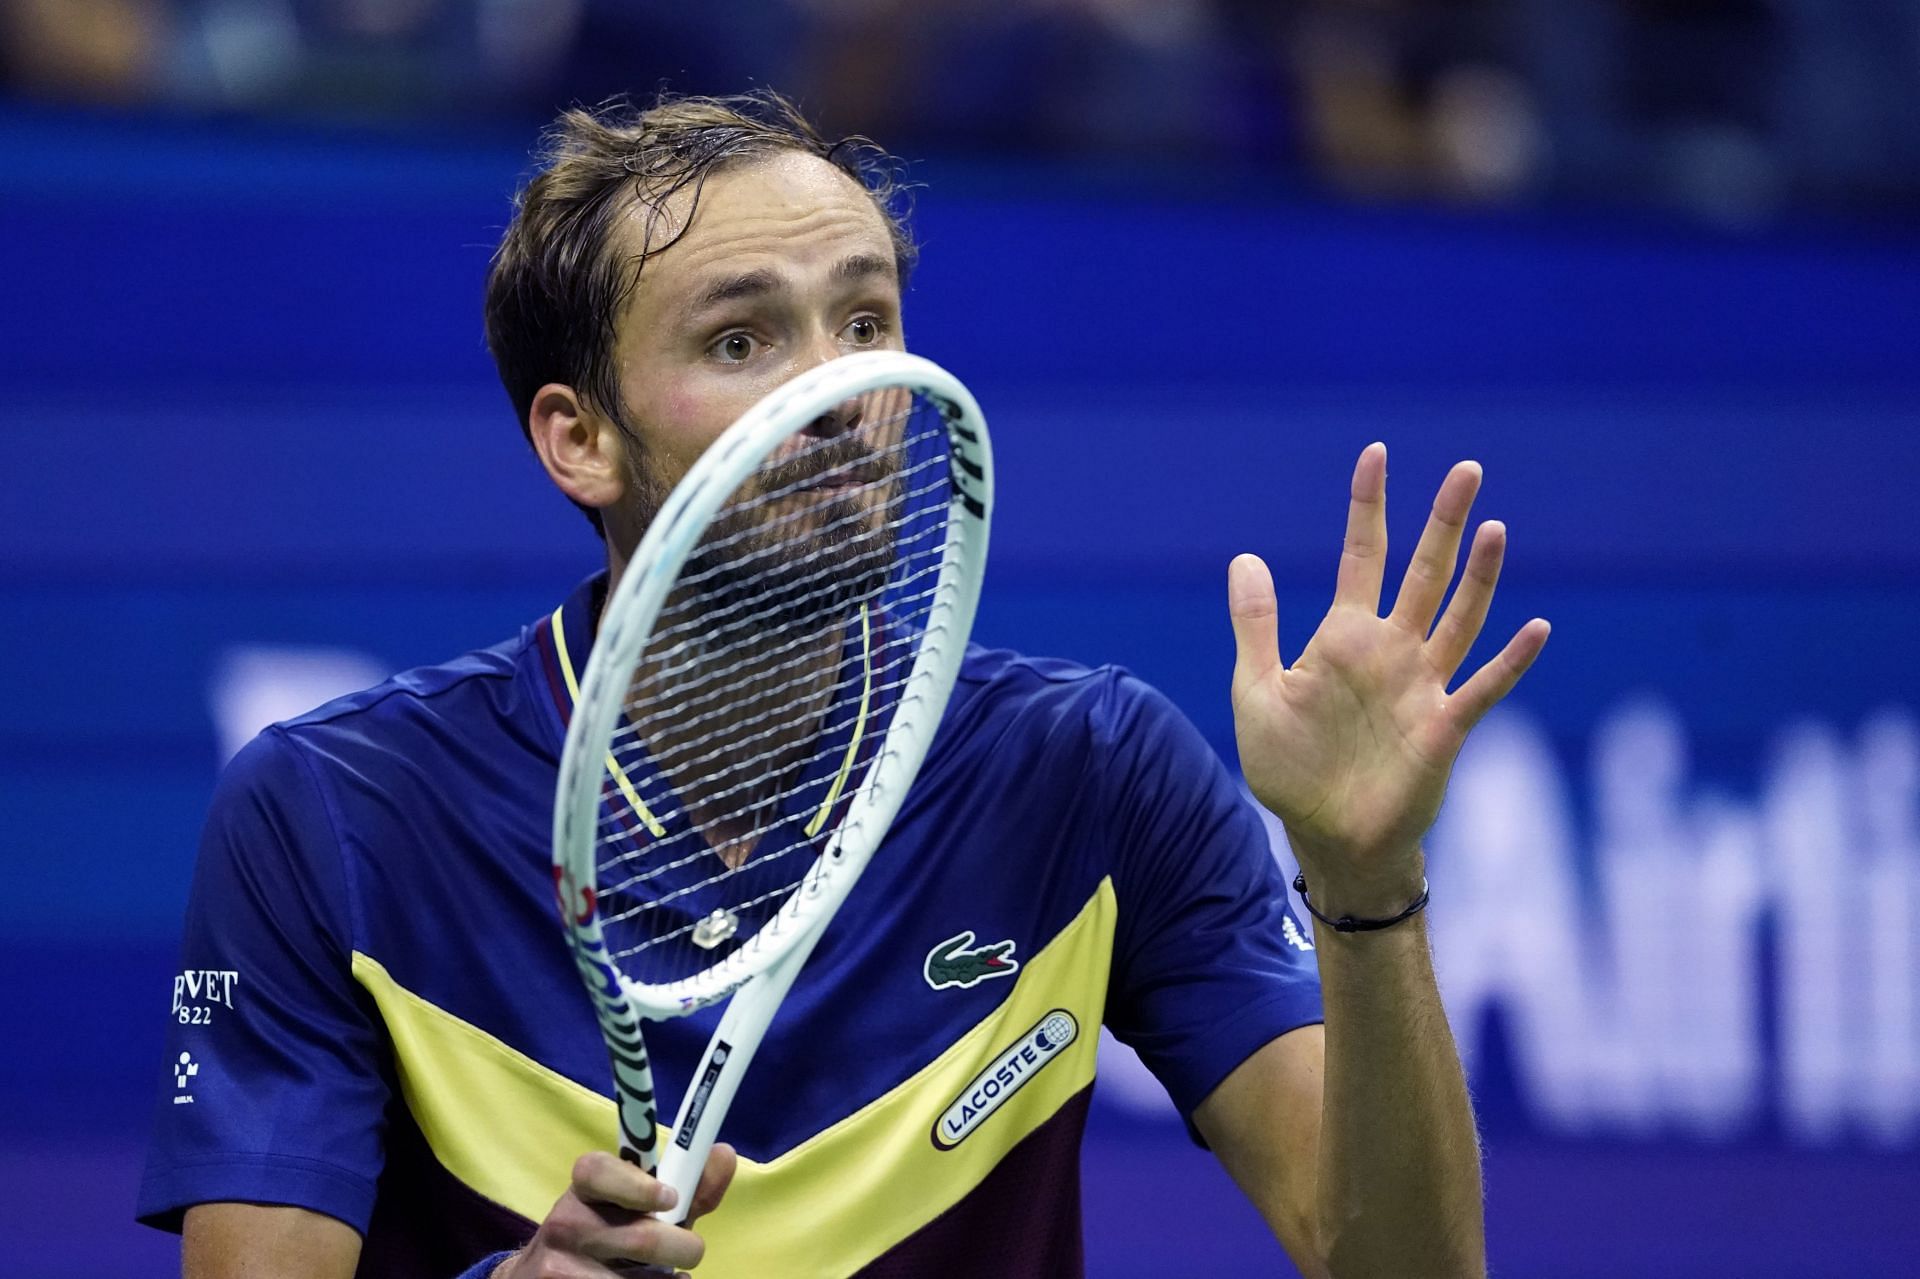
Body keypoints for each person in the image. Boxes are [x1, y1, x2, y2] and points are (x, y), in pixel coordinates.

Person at [138, 91, 1548, 1279]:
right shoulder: (337, 819)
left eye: (866, 323)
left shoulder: (1087, 772)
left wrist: (1366, 885)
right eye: (743, 341)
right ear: (578, 440)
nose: (842, 393)